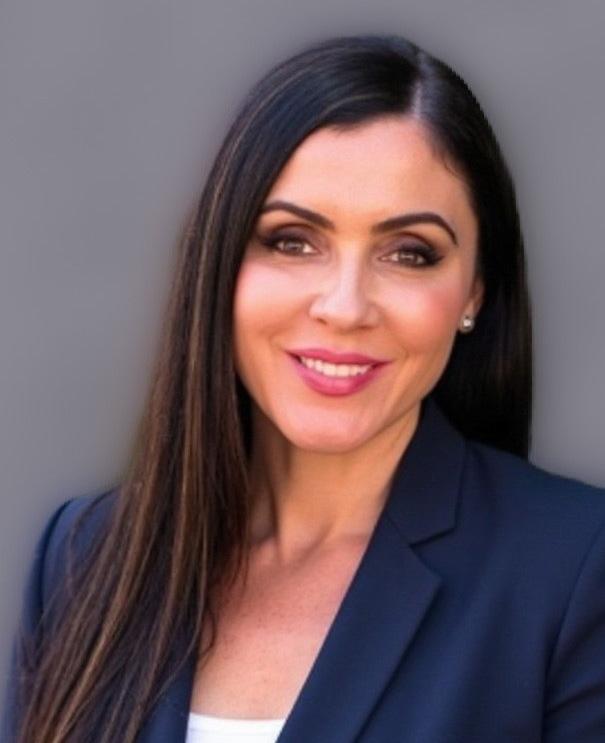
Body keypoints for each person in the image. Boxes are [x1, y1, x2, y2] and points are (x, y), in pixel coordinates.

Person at [3, 33, 605, 743]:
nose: (344, 307)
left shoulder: (574, 569)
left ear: (473, 290)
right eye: (291, 240)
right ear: (220, 261)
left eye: (409, 253)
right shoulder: (85, 554)